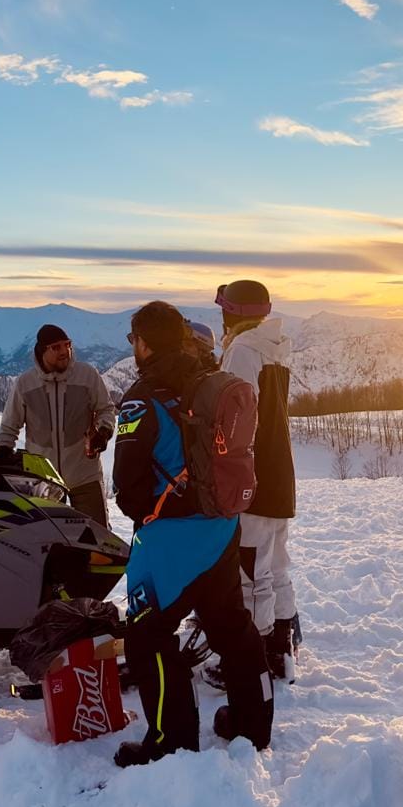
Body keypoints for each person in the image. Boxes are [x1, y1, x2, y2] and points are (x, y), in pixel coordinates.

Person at [111, 300, 272, 767]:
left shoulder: (141, 399)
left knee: (148, 636)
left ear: (143, 343)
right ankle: (253, 725)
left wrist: (149, 512)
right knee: (231, 626)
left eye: (134, 339)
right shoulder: (209, 379)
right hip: (221, 527)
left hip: (169, 540)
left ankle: (171, 742)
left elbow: (127, 487)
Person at [216, 279, 300, 680]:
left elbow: (237, 421)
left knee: (249, 574)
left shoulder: (243, 352)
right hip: (279, 476)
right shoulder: (275, 349)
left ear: (230, 312)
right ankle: (281, 645)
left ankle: (255, 657)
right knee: (275, 567)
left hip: (252, 479)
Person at [0, 323, 116, 526]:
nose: (64, 351)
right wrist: (3, 447)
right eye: (56, 347)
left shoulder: (87, 375)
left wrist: (104, 430)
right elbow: (9, 426)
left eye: (67, 345)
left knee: (96, 534)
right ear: (42, 351)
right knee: (46, 538)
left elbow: (106, 409)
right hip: (42, 480)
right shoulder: (25, 384)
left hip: (85, 475)